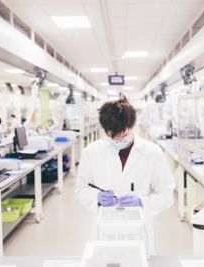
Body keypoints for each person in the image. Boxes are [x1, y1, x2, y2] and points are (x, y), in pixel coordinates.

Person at [75, 99, 175, 254]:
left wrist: (142, 203)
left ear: (132, 126)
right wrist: (96, 197)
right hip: (103, 227)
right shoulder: (92, 152)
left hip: (139, 230)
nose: (117, 140)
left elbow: (166, 194)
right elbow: (81, 189)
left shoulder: (152, 152)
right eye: (112, 136)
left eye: (122, 135)